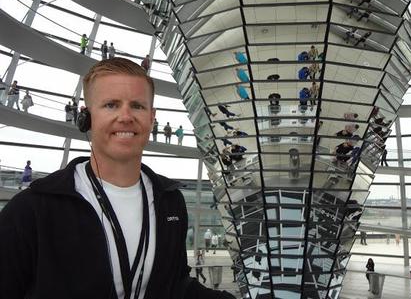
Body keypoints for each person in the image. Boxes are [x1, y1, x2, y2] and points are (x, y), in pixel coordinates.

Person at [0, 58, 235, 299]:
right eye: (111, 105)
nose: (125, 116)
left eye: (137, 106)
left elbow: (175, 285)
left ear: (151, 118)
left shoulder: (169, 201)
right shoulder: (33, 208)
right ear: (87, 117)